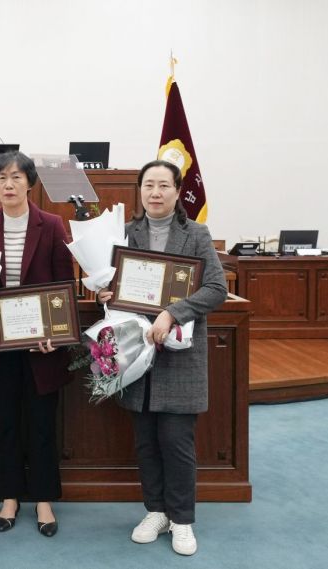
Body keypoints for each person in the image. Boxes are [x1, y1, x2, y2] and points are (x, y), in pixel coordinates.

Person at [98, 160, 227, 556]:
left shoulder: (197, 235)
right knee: (146, 441)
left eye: (163, 186)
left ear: (177, 191)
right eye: (148, 185)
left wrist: (173, 312)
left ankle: (182, 519)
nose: (155, 193)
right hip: (137, 353)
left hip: (178, 354)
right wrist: (107, 293)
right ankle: (155, 510)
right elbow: (110, 282)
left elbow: (217, 288)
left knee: (176, 441)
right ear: (139, 191)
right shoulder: (123, 233)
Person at [0, 151, 75, 537]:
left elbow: (65, 286)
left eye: (16, 178)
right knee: (7, 422)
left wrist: (56, 335)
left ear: (30, 183)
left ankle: (44, 499)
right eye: (1, 179)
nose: (9, 185)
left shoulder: (52, 224)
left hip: (41, 344)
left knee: (43, 423)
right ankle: (10, 496)